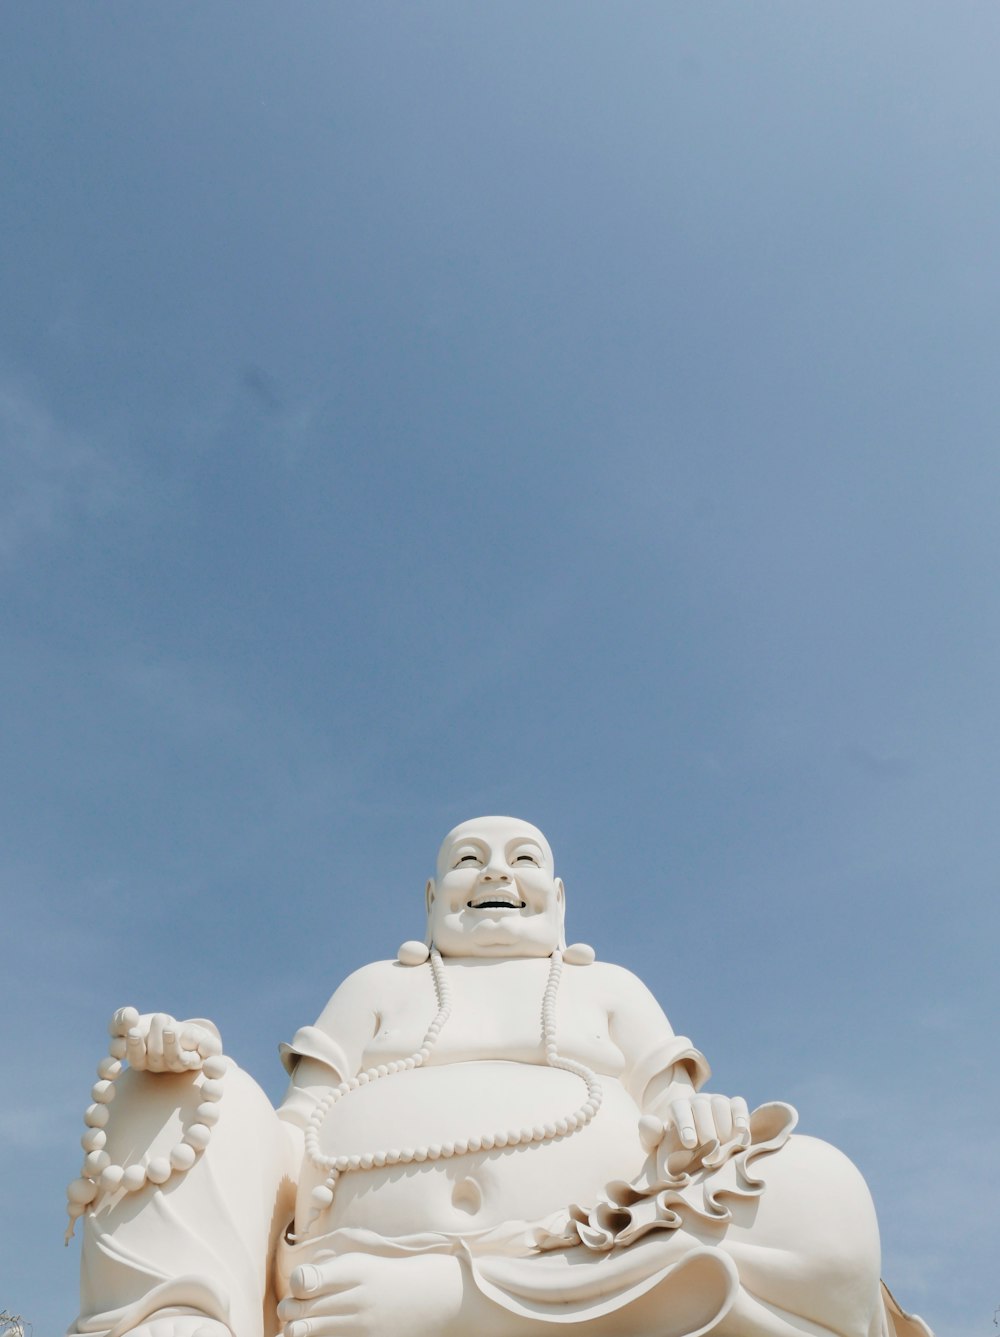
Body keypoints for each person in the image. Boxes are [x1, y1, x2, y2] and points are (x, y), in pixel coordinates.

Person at [68, 817, 932, 1337]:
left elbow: (673, 1119)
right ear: (430, 895)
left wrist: (701, 1120)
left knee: (824, 1195)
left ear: (558, 898)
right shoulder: (378, 987)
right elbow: (296, 1129)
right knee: (173, 1091)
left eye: (522, 859)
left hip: (591, 1258)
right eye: (469, 858)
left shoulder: (608, 987)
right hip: (340, 1266)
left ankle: (469, 1302)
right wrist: (199, 1081)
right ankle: (183, 1311)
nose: (495, 873)